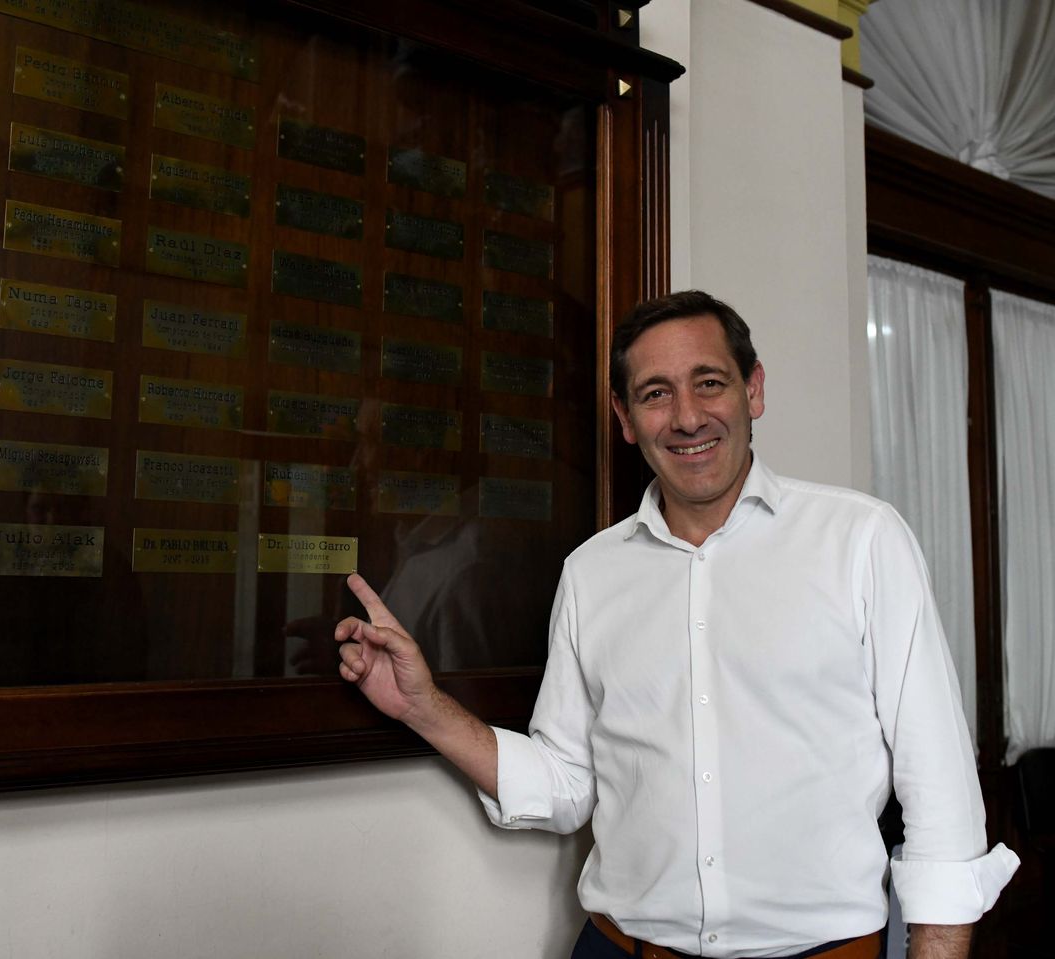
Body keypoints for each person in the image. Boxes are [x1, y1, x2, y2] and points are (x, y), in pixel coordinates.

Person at [334, 291, 1018, 959]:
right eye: (656, 393)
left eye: (709, 383)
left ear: (753, 391)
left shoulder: (862, 540)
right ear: (625, 417)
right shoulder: (591, 573)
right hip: (619, 946)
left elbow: (941, 794)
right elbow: (567, 784)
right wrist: (424, 708)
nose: (687, 417)